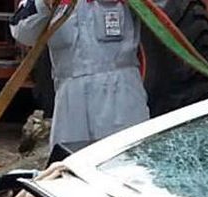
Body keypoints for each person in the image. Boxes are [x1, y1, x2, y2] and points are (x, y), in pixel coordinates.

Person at [10, 0, 150, 149]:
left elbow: (163, 12)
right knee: (69, 162)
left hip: (122, 93)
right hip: (70, 96)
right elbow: (22, 32)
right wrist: (44, 4)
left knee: (125, 161)